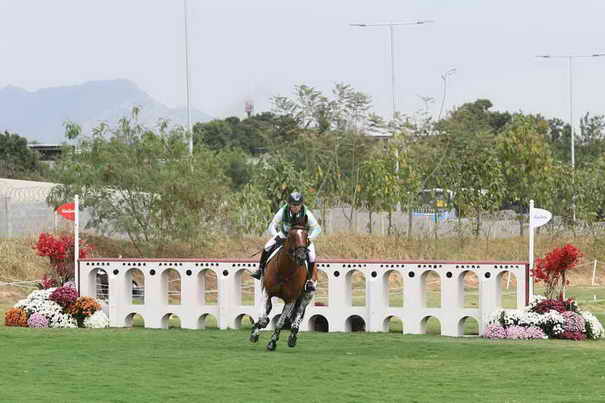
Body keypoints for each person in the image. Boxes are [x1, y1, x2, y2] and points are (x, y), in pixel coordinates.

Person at [250, 191, 321, 292]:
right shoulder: (283, 211)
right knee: (267, 246)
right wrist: (276, 236)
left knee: (312, 256)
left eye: (298, 205)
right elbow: (272, 226)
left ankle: (309, 280)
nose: (296, 207)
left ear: (301, 204)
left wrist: (309, 238)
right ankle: (260, 270)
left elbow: (318, 229)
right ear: (289, 204)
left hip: (301, 239)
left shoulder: (307, 213)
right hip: (285, 235)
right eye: (293, 205)